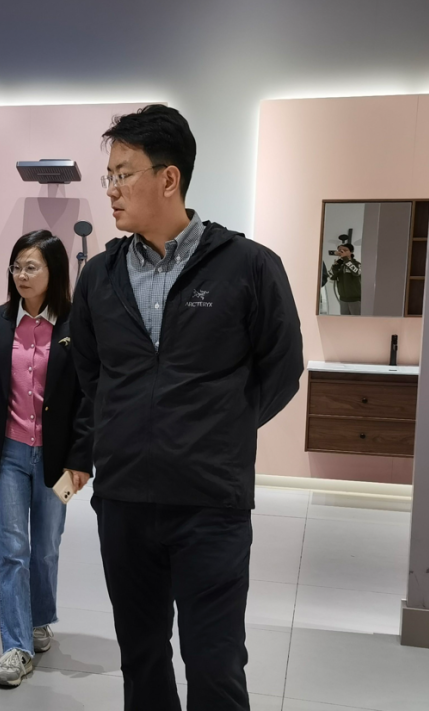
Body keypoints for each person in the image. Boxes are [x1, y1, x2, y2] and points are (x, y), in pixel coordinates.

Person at [70, 105, 304, 711]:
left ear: (168, 178)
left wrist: (216, 430)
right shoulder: (98, 277)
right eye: (109, 175)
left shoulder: (248, 266)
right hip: (124, 502)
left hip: (210, 504)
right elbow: (92, 374)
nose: (111, 189)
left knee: (214, 664)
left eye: (123, 173)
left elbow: (282, 369)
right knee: (142, 659)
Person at [0, 231, 93, 689]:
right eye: (16, 267)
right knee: (12, 549)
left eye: (32, 267)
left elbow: (88, 396)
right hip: (8, 452)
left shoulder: (74, 324)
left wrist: (81, 457)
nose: (21, 276)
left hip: (54, 456)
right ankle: (16, 646)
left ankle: (40, 617)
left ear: (54, 272)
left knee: (45, 548)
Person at [329, 243, 362, 315]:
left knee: (356, 320)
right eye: (340, 250)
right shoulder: (339, 265)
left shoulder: (357, 264)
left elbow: (356, 272)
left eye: (345, 250)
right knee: (344, 320)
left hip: (355, 300)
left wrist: (346, 259)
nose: (341, 252)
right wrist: (335, 266)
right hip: (343, 299)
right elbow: (331, 277)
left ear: (351, 252)